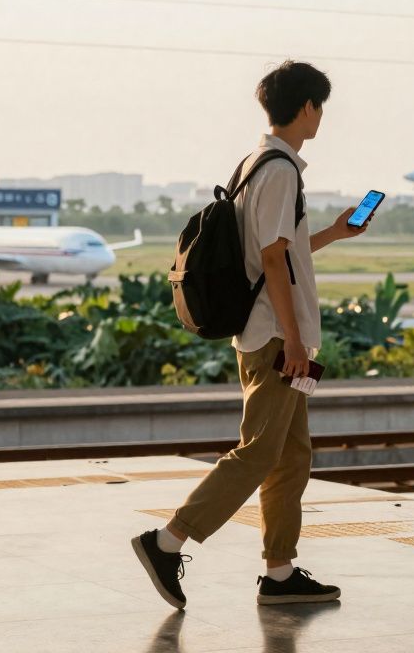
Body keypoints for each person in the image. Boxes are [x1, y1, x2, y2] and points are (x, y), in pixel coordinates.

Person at [131, 60, 369, 609]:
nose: (321, 118)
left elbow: (277, 256)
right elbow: (270, 258)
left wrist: (336, 230)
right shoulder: (282, 170)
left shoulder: (255, 164)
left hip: (270, 333)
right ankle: (166, 542)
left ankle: (280, 573)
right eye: (321, 108)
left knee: (291, 456)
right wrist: (292, 338)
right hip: (273, 338)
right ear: (307, 107)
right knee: (259, 453)